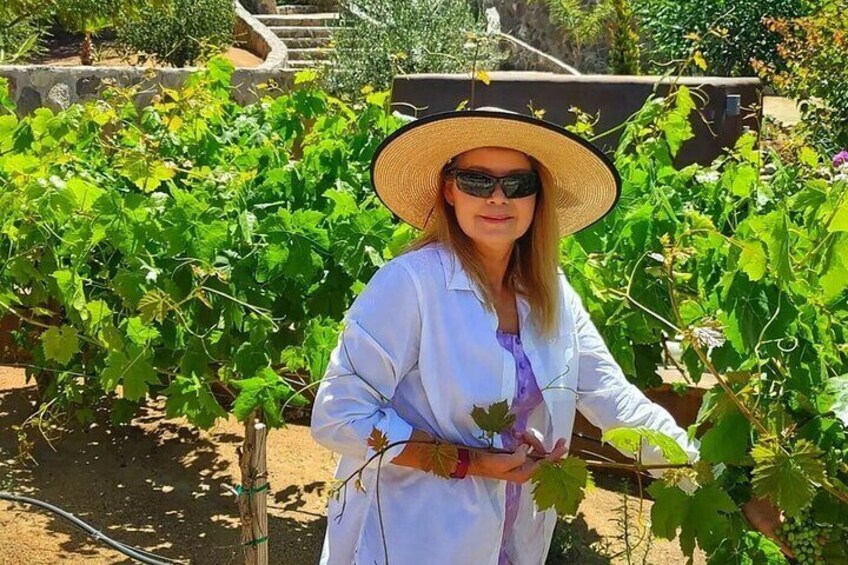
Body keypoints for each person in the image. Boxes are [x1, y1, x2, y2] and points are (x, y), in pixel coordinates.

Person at [310, 107, 700, 565]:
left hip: (513, 541)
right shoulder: (411, 285)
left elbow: (612, 399)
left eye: (517, 184)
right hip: (415, 539)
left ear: (538, 198)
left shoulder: (550, 291)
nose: (498, 198)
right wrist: (468, 461)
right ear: (450, 190)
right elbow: (340, 414)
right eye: (477, 181)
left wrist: (705, 473)